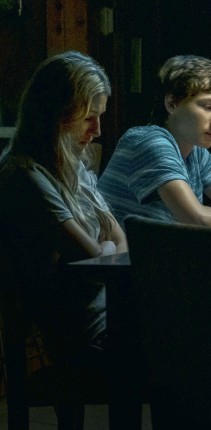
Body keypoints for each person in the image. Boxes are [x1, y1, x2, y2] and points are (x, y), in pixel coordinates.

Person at [0, 51, 126, 364]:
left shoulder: (73, 166)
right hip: (83, 335)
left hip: (113, 317)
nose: (98, 130)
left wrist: (106, 249)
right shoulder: (26, 175)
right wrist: (106, 249)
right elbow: (94, 261)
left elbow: (118, 240)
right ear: (55, 114)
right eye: (88, 117)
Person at [98, 55, 211, 228]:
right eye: (209, 107)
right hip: (120, 249)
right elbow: (196, 219)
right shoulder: (149, 142)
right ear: (172, 104)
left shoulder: (196, 152)